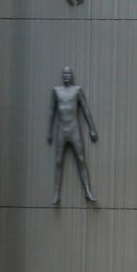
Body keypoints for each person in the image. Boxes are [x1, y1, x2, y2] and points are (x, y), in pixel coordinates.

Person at [47, 66, 99, 204]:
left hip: (74, 129)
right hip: (61, 130)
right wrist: (49, 131)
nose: (66, 75)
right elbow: (52, 111)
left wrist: (92, 129)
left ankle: (87, 191)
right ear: (62, 75)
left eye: (68, 73)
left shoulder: (77, 90)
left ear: (71, 75)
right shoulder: (56, 91)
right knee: (58, 162)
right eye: (64, 73)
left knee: (81, 160)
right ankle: (56, 194)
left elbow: (86, 110)